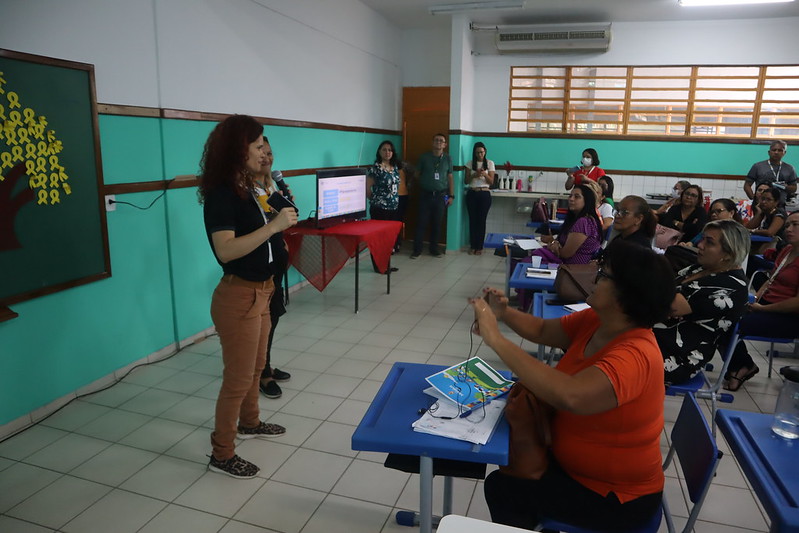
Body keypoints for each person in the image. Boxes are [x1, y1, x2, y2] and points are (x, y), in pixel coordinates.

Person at [472, 240, 675, 531]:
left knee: (504, 488)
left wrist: (496, 339)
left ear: (625, 296)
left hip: (614, 498)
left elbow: (571, 395)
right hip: (575, 470)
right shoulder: (599, 320)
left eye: (603, 274)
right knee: (507, 472)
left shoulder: (636, 355)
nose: (594, 277)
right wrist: (503, 314)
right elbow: (542, 330)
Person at [199, 115, 298, 479]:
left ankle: (250, 422)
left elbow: (290, 215)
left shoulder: (255, 187)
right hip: (238, 296)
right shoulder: (222, 194)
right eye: (258, 146)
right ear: (237, 151)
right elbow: (225, 250)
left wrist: (271, 187)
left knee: (257, 369)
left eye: (265, 146)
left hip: (264, 291)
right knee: (237, 379)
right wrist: (273, 225)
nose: (265, 151)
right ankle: (222, 453)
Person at [655, 219, 750, 385]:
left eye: (709, 242)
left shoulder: (731, 285)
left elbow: (669, 305)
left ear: (729, 253)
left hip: (676, 355)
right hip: (658, 336)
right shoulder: (701, 268)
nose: (700, 245)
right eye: (703, 238)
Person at [725, 210, 799, 392]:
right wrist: (756, 299)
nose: (789, 229)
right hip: (766, 306)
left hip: (789, 317)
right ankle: (740, 365)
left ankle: (742, 366)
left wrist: (763, 309)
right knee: (721, 311)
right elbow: (770, 280)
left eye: (795, 225)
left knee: (728, 322)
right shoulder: (788, 250)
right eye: (787, 224)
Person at [251, 138, 293, 400]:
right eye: (260, 152)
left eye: (269, 152)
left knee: (273, 317)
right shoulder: (248, 190)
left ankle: (264, 364)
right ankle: (261, 373)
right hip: (259, 265)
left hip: (276, 261)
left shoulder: (268, 185)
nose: (266, 157)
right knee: (264, 319)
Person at [412, 133, 453, 259]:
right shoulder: (424, 157)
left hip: (441, 196)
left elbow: (450, 177)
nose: (439, 142)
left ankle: (434, 249)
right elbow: (417, 174)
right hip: (425, 195)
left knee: (437, 223)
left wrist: (451, 195)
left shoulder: (447, 158)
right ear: (432, 142)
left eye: (441, 141)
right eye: (436, 140)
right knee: (421, 223)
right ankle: (417, 250)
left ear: (445, 144)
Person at [538, 184, 603, 264]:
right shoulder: (585, 219)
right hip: (571, 266)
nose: (571, 199)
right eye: (570, 196)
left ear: (587, 201)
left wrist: (554, 247)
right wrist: (554, 243)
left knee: (534, 257)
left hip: (572, 270)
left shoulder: (584, 222)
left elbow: (565, 254)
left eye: (577, 197)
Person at [367, 140, 404, 266]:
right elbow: (367, 188)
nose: (387, 152)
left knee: (389, 239)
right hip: (379, 209)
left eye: (390, 150)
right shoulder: (376, 168)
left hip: (393, 208)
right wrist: (375, 200)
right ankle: (379, 265)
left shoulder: (394, 168)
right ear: (379, 152)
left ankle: (386, 264)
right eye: (384, 149)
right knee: (379, 239)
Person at [465, 141, 495, 255]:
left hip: (484, 194)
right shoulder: (470, 163)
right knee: (472, 220)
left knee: (481, 221)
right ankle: (472, 245)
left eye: (482, 152)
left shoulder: (490, 163)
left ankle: (479, 247)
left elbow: (491, 181)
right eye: (477, 152)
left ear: (485, 151)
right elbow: (466, 181)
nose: (480, 154)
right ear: (474, 153)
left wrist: (484, 174)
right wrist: (474, 175)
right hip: (472, 193)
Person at [745, 186, 786, 252]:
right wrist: (759, 213)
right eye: (762, 199)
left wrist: (753, 231)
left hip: (779, 244)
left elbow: (770, 232)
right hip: (764, 241)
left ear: (776, 202)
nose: (764, 202)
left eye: (769, 200)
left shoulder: (779, 214)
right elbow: (749, 227)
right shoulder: (764, 211)